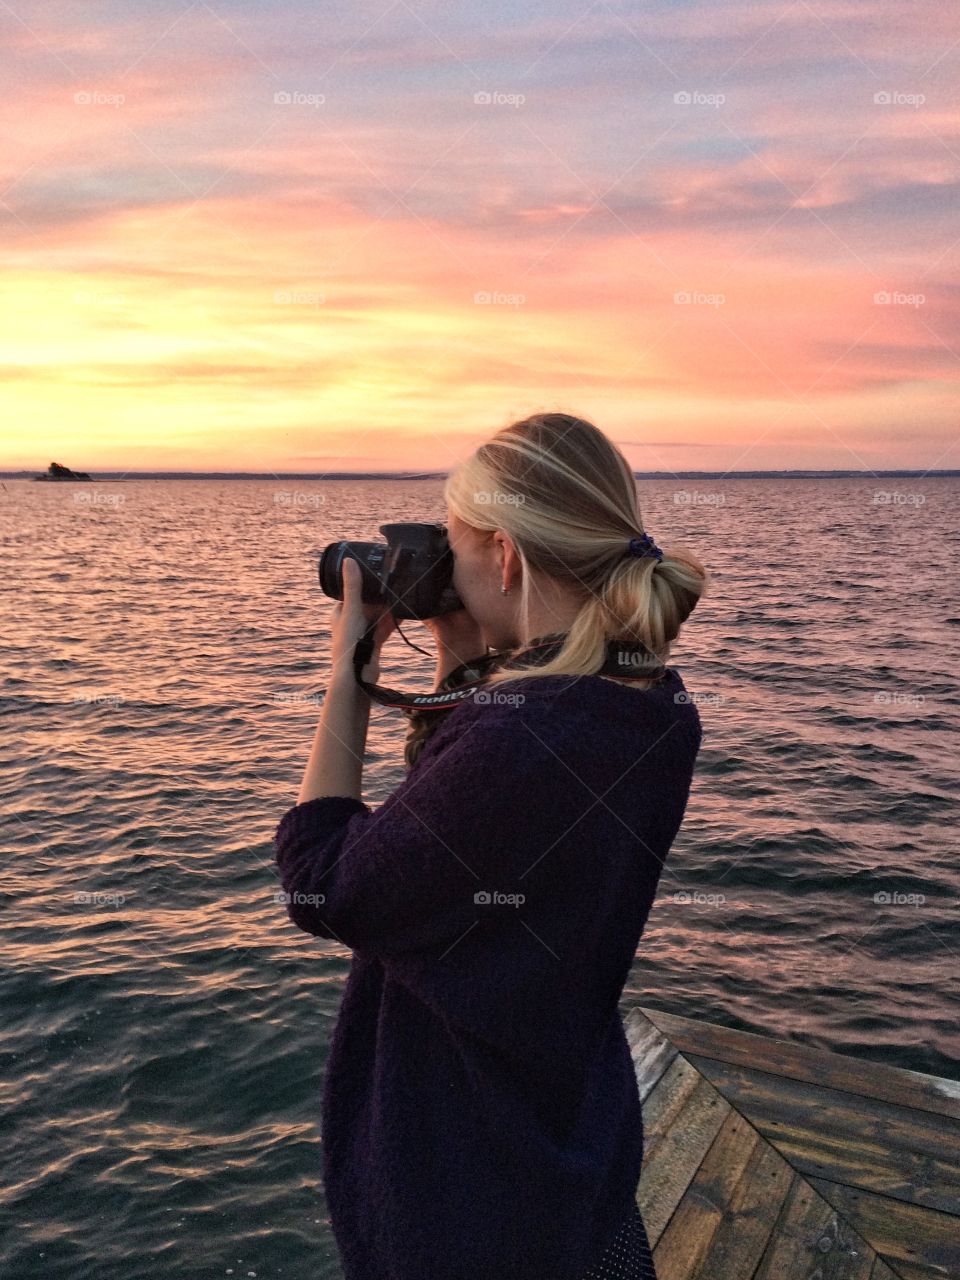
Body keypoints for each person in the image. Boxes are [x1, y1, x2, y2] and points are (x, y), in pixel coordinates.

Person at [273, 412, 708, 1280]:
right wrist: (462, 657)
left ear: (505, 556)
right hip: (571, 1128)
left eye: (458, 545)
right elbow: (463, 831)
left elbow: (328, 885)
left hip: (475, 1178)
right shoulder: (653, 701)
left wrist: (349, 671)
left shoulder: (522, 741)